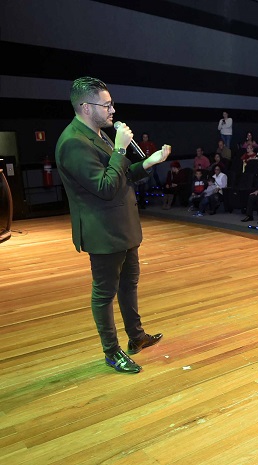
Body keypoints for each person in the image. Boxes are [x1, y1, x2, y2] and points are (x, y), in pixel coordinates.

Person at [55, 76, 169, 374]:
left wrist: (148, 162)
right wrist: (119, 149)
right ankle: (111, 351)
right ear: (85, 107)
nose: (113, 110)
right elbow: (104, 187)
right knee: (104, 293)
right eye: (106, 105)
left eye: (111, 104)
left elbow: (121, 176)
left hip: (122, 227)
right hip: (103, 231)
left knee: (129, 284)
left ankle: (136, 336)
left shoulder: (98, 134)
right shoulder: (73, 142)